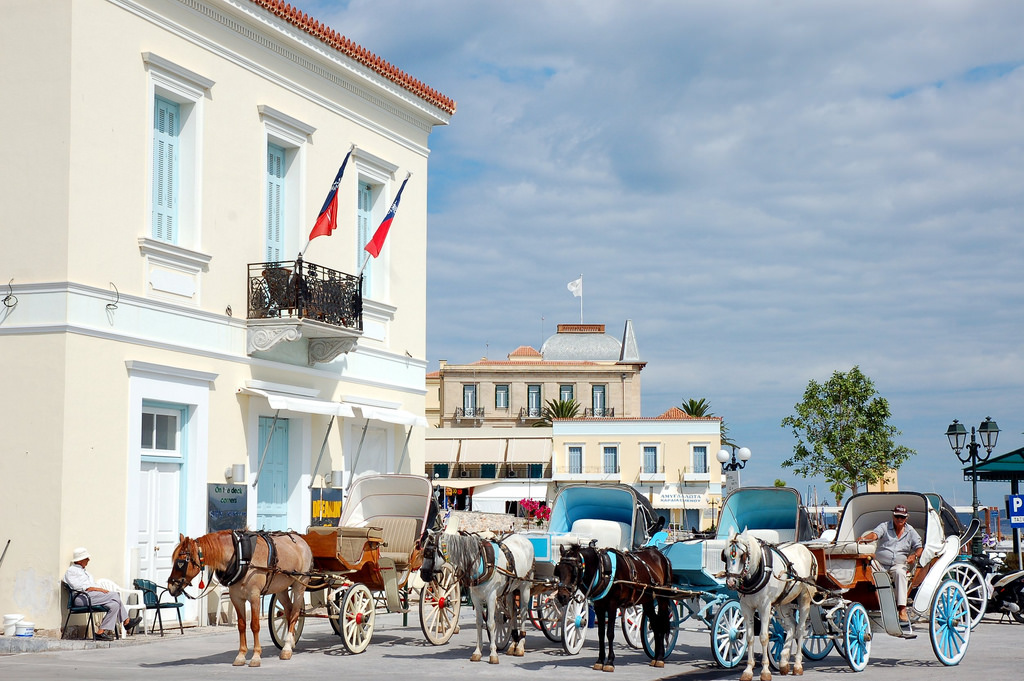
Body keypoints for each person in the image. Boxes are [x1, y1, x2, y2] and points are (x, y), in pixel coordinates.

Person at [857, 504, 923, 627]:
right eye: (897, 516)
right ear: (893, 516)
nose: (899, 519)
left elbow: (919, 547)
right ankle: (868, 601)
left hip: (899, 564)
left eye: (902, 517)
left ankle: (902, 609)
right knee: (866, 568)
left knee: (900, 573)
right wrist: (864, 539)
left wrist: (914, 556)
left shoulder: (911, 531)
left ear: (906, 518)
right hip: (880, 563)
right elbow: (875, 535)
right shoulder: (884, 526)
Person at [63, 547, 142, 640]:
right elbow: (78, 587)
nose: (88, 560)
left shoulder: (85, 572)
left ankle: (100, 633)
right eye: (86, 558)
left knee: (114, 605)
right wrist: (98, 589)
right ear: (80, 560)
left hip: (92, 596)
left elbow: (92, 585)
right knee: (115, 595)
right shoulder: (71, 571)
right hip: (81, 598)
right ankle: (126, 621)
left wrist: (100, 590)